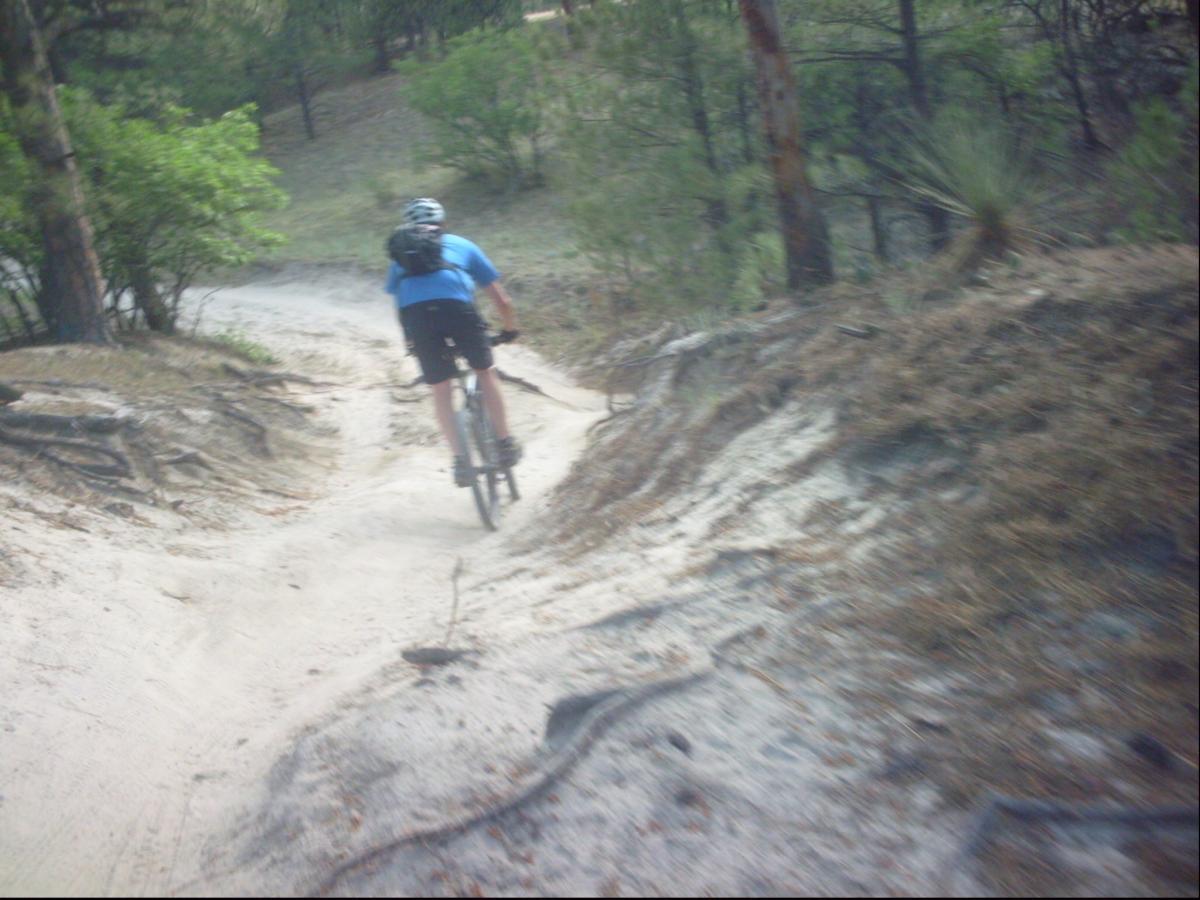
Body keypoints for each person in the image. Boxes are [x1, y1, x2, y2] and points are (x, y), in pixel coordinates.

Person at [385, 197, 522, 487]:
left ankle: (461, 463)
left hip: (418, 320)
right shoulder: (463, 245)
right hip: (457, 311)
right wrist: (509, 330)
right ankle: (504, 443)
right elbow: (502, 300)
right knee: (485, 371)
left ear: (410, 226)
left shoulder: (401, 255)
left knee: (440, 390)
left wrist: (411, 341)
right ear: (443, 224)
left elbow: (400, 306)